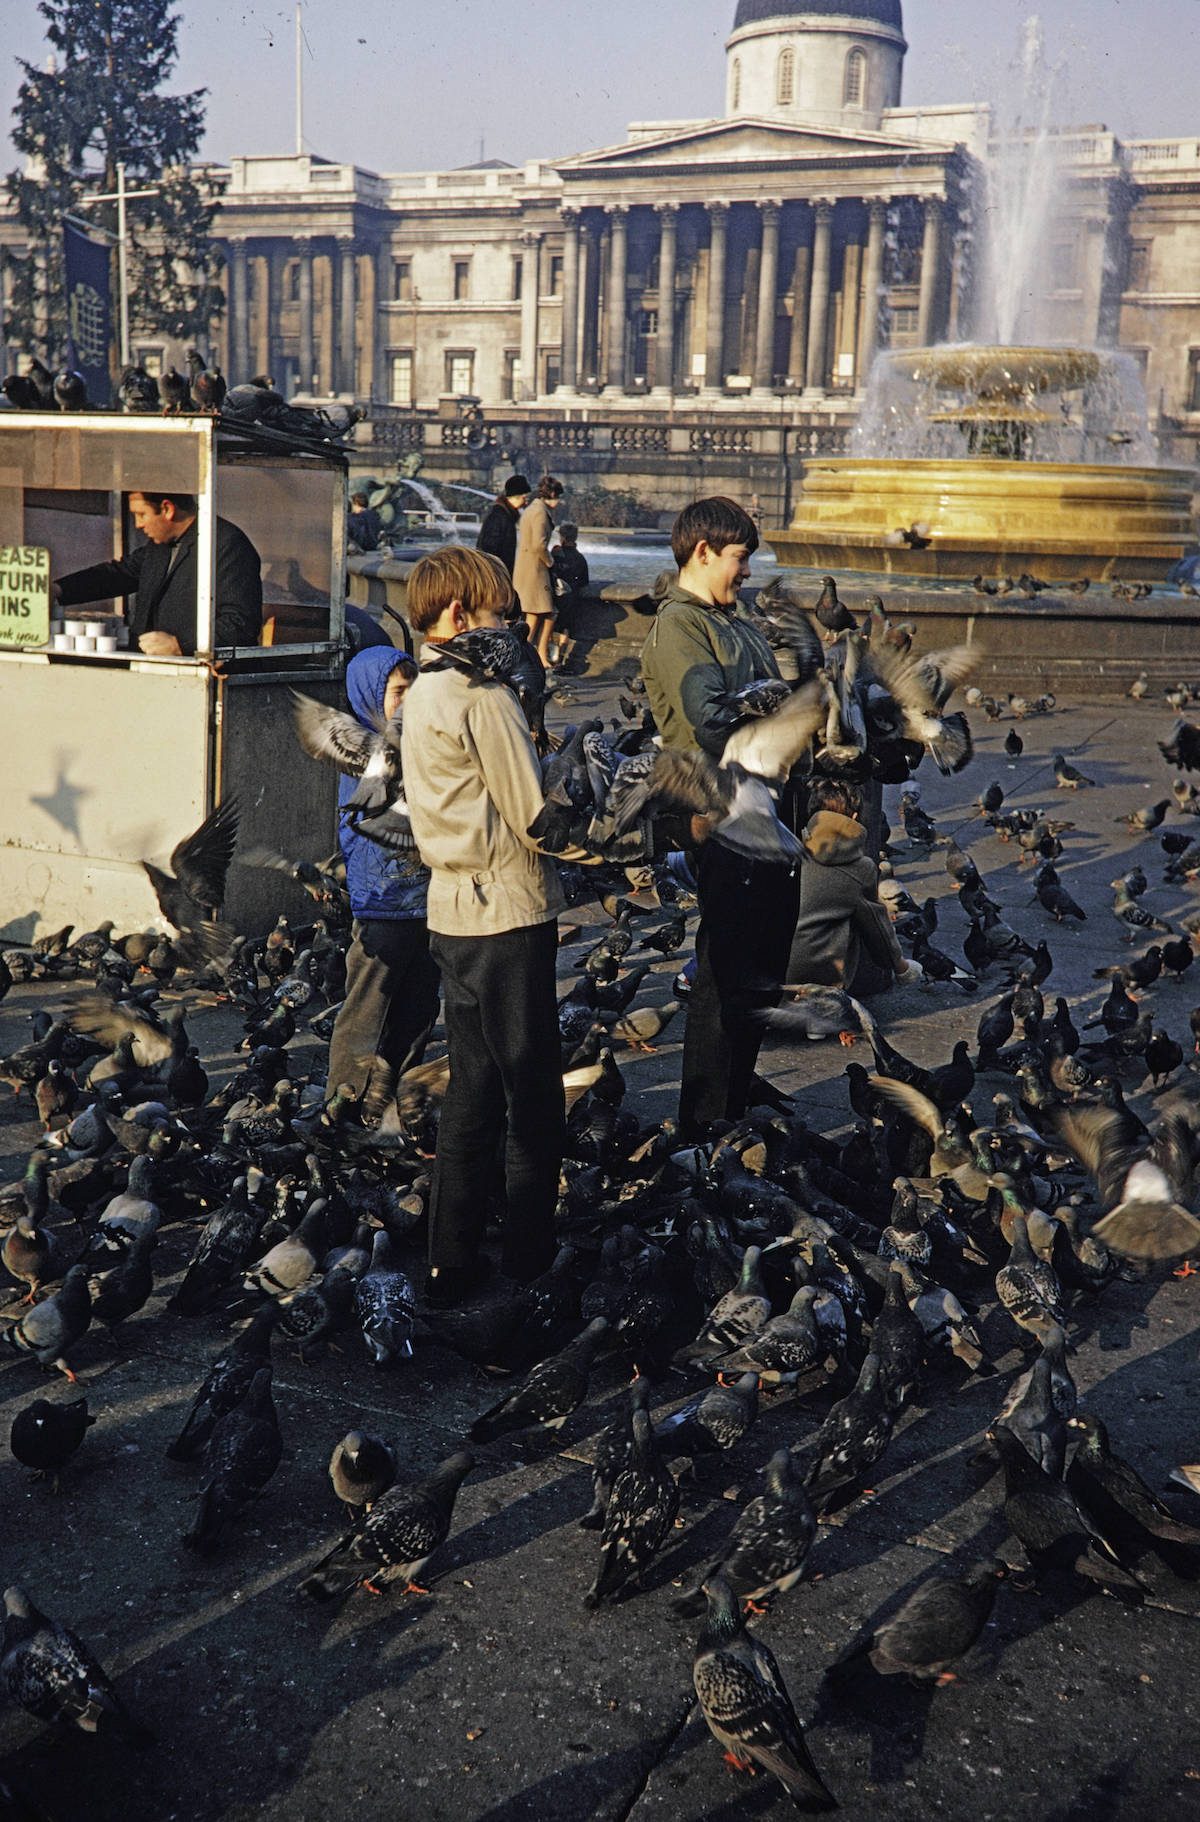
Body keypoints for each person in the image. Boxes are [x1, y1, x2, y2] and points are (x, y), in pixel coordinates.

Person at [400, 545, 568, 1307]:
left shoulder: (421, 694)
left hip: (448, 914)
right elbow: (536, 820)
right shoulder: (481, 694)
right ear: (462, 616)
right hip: (505, 913)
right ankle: (531, 1260)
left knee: (470, 1090)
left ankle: (448, 1261)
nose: (507, 632)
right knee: (532, 1093)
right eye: (499, 616)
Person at [640, 494, 801, 1135]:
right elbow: (710, 721)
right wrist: (790, 717)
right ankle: (704, 1126)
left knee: (757, 976)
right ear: (702, 552)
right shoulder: (682, 626)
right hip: (722, 819)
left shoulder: (731, 621)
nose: (746, 573)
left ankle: (733, 1106)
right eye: (739, 559)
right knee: (722, 977)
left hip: (764, 819)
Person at [326, 646, 439, 1123]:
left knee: (418, 1007)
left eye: (414, 687)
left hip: (427, 903)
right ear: (369, 697)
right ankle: (344, 1105)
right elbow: (357, 836)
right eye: (398, 691)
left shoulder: (420, 743)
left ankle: (397, 1106)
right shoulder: (366, 754)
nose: (409, 698)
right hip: (383, 904)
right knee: (367, 1011)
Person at [55, 490, 262, 657]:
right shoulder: (161, 545)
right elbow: (119, 574)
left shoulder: (226, 544)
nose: (138, 525)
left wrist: (181, 645)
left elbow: (240, 623)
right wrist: (58, 589)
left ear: (167, 509)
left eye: (141, 514)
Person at [786, 776, 917, 997]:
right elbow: (877, 927)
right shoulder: (859, 867)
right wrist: (901, 967)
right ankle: (822, 1010)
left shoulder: (790, 849)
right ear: (855, 816)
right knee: (857, 917)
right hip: (819, 971)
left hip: (774, 961)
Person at [514, 474, 563, 666]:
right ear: (551, 494)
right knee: (537, 613)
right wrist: (550, 562)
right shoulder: (540, 513)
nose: (559, 501)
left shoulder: (532, 509)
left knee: (542, 612)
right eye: (557, 496)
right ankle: (528, 657)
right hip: (535, 570)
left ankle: (537, 655)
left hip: (527, 568)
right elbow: (539, 546)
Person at [548, 520, 589, 671]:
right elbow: (584, 582)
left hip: (556, 598)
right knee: (566, 628)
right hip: (572, 600)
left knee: (551, 627)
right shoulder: (580, 558)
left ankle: (551, 658)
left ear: (562, 537)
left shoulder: (557, 554)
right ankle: (560, 659)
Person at [475, 473, 531, 577]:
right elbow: (489, 549)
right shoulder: (500, 516)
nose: (525, 502)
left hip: (499, 573)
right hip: (495, 575)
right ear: (516, 496)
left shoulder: (505, 514)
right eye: (524, 498)